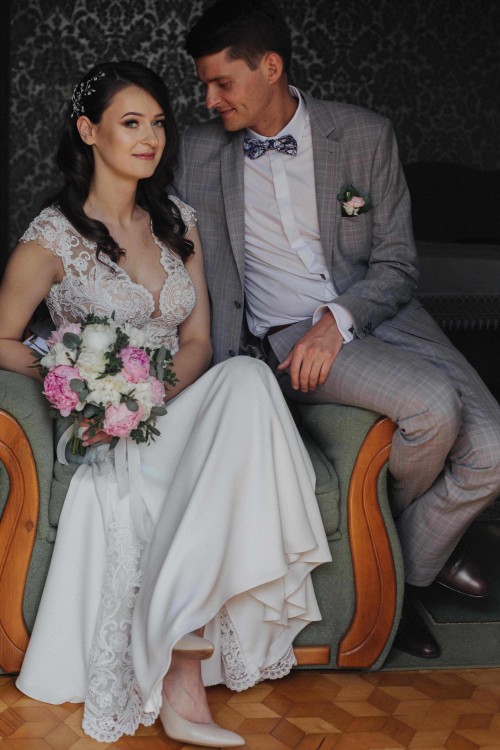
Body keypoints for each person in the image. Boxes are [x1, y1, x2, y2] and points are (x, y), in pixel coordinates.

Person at [0, 60, 332, 746]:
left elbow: (199, 341)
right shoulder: (51, 238)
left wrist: (146, 395)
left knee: (247, 379)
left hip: (165, 404)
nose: (150, 138)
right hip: (102, 426)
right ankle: (181, 678)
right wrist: (73, 378)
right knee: (233, 402)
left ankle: (179, 624)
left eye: (157, 123)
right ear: (88, 131)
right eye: (131, 123)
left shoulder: (178, 222)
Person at [176, 0, 500, 660]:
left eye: (222, 83)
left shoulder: (364, 134)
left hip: (384, 316)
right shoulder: (194, 153)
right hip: (285, 334)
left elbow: (397, 265)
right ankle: (389, 589)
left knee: (493, 450)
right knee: (432, 409)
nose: (209, 100)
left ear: (271, 67)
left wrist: (339, 320)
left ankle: (402, 573)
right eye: (204, 85)